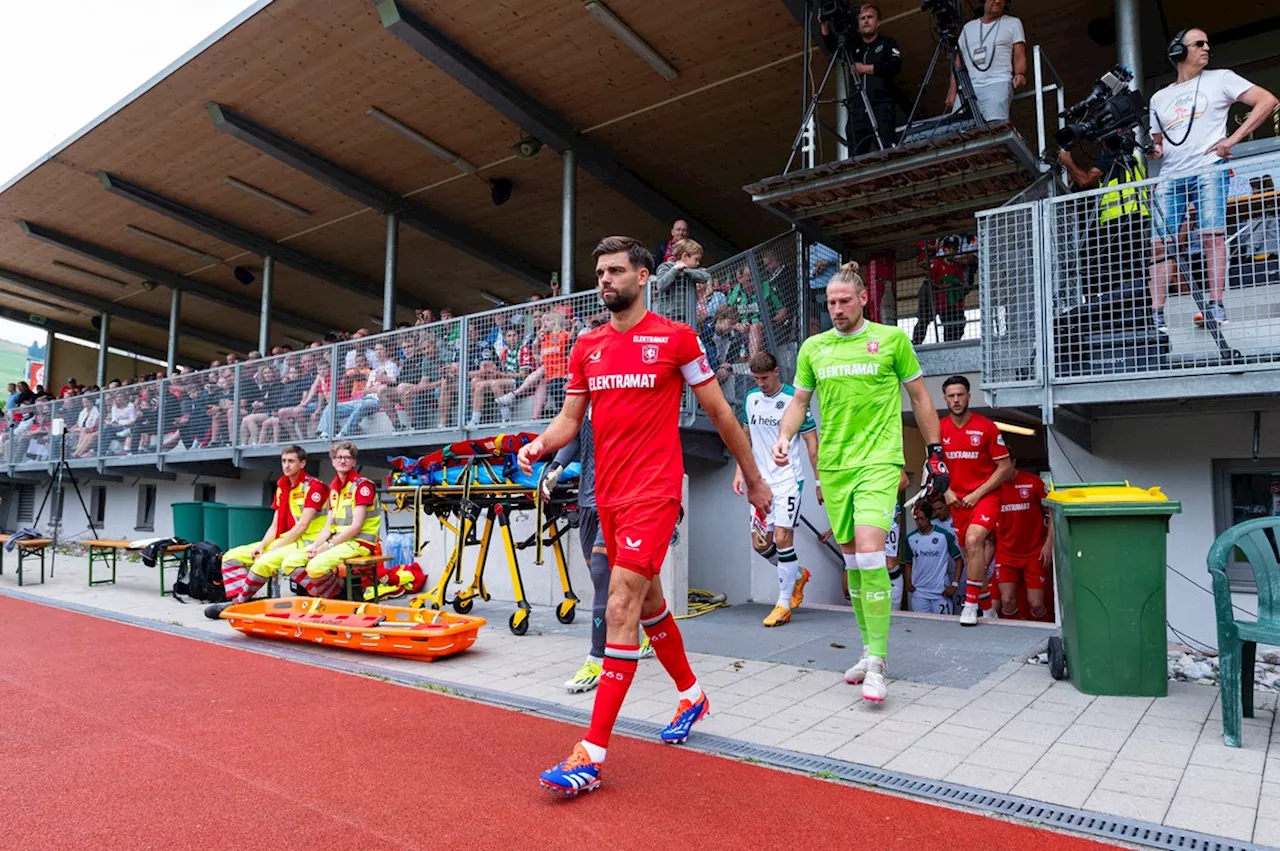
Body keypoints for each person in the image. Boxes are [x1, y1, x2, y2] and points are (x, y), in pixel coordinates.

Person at [519, 235, 771, 797]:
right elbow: (568, 421)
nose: (604, 280)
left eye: (614, 271)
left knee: (620, 603)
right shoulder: (587, 346)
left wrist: (753, 478)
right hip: (602, 494)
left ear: (643, 277)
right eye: (600, 272)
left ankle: (590, 753)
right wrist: (538, 446)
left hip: (654, 493)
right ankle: (692, 695)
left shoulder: (677, 339)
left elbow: (721, 413)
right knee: (651, 603)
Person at [773, 261, 947, 702]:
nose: (836, 309)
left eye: (844, 301)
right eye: (830, 302)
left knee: (872, 555)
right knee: (853, 563)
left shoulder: (890, 341)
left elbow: (922, 398)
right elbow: (798, 403)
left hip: (879, 462)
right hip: (834, 468)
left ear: (863, 299)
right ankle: (868, 649)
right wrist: (784, 436)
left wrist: (935, 452)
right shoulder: (814, 348)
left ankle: (880, 664)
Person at [1148, 27, 1278, 331]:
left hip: (1209, 168)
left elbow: (1267, 100)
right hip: (1170, 175)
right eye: (1199, 44)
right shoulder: (1158, 97)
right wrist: (1152, 150)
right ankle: (1155, 316)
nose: (1207, 48)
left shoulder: (1221, 78)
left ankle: (1215, 306)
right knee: (1160, 244)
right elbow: (1159, 145)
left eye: (1208, 43)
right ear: (1179, 52)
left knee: (1212, 235)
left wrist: (1232, 140)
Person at [543, 419, 654, 694]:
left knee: (602, 574)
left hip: (620, 498)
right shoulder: (583, 393)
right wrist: (556, 466)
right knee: (611, 577)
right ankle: (650, 630)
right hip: (587, 500)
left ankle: (596, 658)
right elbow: (576, 437)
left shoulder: (624, 387)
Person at [732, 351, 821, 627]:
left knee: (783, 539)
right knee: (761, 545)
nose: (760, 383)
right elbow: (744, 437)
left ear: (776, 373)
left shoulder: (793, 399)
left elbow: (812, 443)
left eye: (764, 378)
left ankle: (783, 605)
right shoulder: (751, 399)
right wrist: (740, 472)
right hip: (760, 484)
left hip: (788, 481)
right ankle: (797, 576)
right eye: (756, 378)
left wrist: (819, 482)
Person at [207, 445, 329, 614]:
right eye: (284, 461)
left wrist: (276, 547)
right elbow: (275, 524)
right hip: (289, 538)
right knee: (230, 557)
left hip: (310, 541)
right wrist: (263, 545)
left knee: (263, 562)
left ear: (302, 464)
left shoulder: (314, 487)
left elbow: (303, 525)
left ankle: (237, 605)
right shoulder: (282, 487)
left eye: (291, 461)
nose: (286, 465)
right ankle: (241, 599)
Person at [939, 375, 1014, 626]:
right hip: (956, 502)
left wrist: (978, 493)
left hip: (985, 498)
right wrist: (945, 491)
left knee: (974, 541)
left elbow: (1004, 468)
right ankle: (986, 605)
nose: (956, 400)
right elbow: (931, 467)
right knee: (972, 555)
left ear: (969, 396)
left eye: (960, 395)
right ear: (945, 399)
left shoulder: (986, 427)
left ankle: (970, 606)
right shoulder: (939, 429)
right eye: (952, 396)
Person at [273, 441, 382, 600]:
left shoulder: (362, 486)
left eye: (347, 457)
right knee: (289, 563)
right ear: (332, 461)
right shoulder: (334, 489)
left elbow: (356, 526)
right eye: (338, 457)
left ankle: (338, 597)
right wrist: (315, 546)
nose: (342, 461)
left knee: (316, 566)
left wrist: (326, 546)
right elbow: (328, 527)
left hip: (359, 542)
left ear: (354, 462)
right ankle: (337, 594)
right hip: (339, 542)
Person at [1057, 140, 1151, 299]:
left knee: (1120, 270)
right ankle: (1140, 307)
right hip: (1135, 217)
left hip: (1121, 218)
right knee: (1134, 268)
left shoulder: (1112, 156)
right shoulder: (1133, 157)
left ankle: (1129, 307)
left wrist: (1067, 161)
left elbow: (1085, 180)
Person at [822, 3, 902, 155]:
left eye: (870, 17)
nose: (866, 21)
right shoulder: (854, 47)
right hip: (857, 111)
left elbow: (894, 66)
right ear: (858, 24)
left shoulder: (887, 43)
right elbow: (835, 47)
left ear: (878, 22)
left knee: (888, 152)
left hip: (881, 107)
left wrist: (865, 69)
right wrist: (825, 27)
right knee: (855, 158)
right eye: (862, 18)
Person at [947, 0, 1026, 122]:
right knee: (958, 130)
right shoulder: (968, 28)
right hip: (967, 90)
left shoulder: (1013, 23)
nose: (998, 1)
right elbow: (958, 63)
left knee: (994, 128)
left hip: (998, 83)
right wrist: (952, 91)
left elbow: (1019, 53)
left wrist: (1020, 73)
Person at [995, 464, 1053, 620]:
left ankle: (1046, 634)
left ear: (1012, 462)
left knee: (1036, 604)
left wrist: (1048, 544)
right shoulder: (992, 486)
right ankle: (1012, 638)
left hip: (1033, 551)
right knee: (1007, 600)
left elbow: (1052, 512)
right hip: (1005, 552)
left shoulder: (1033, 482)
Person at [902, 502, 963, 614]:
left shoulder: (944, 535)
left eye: (922, 518)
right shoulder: (910, 538)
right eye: (916, 519)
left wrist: (954, 585)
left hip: (941, 592)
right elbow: (908, 562)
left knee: (944, 626)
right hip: (920, 592)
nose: (919, 522)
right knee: (921, 626)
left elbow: (959, 560)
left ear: (929, 517)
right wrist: (908, 581)